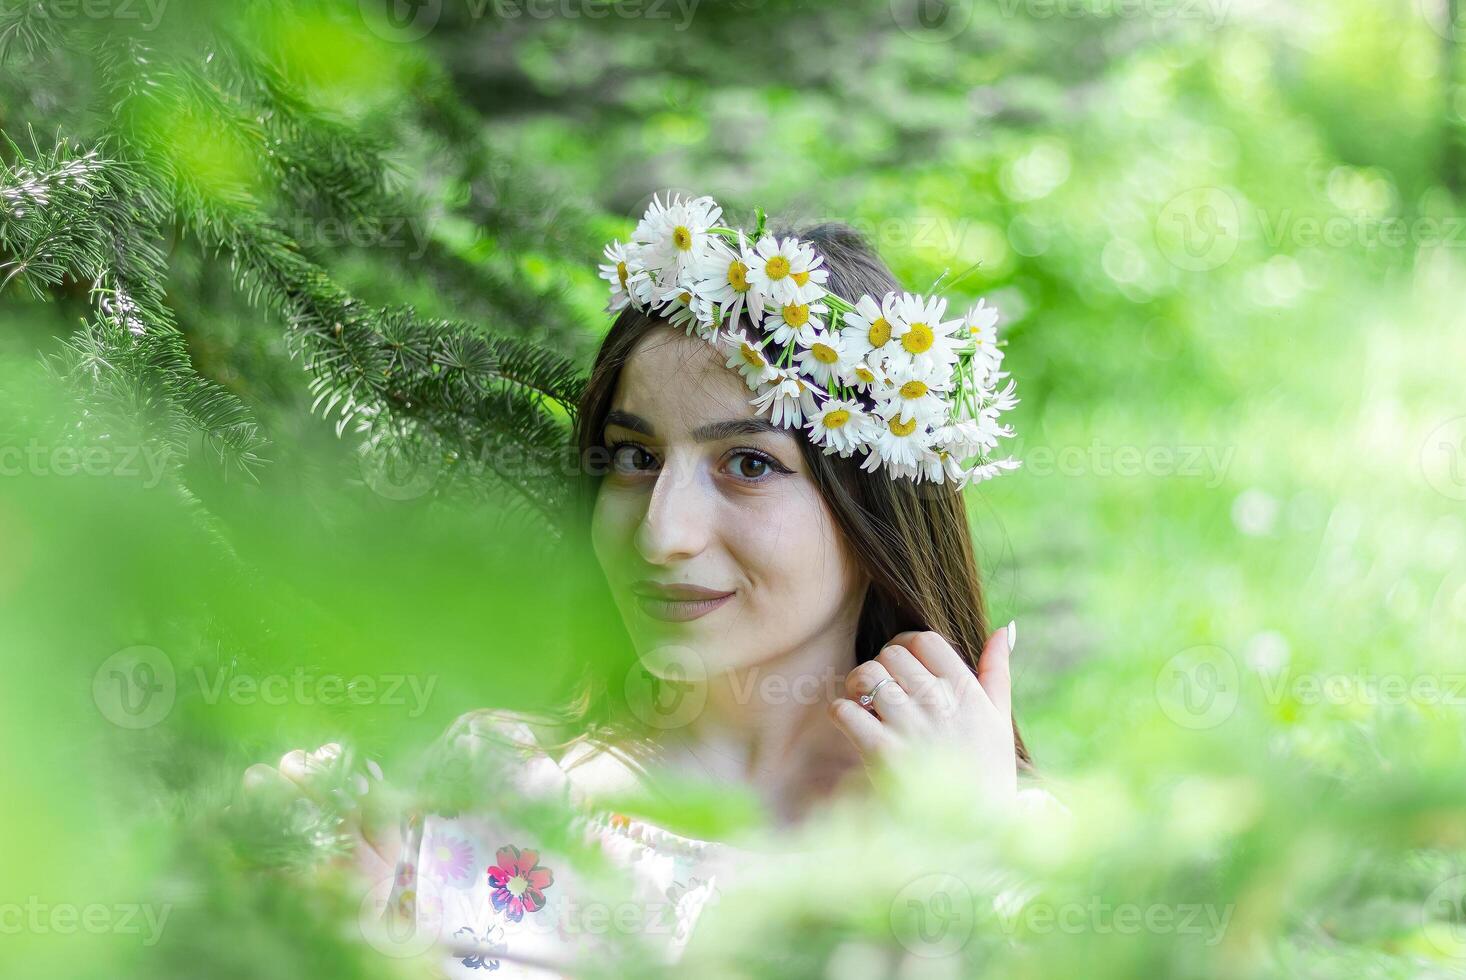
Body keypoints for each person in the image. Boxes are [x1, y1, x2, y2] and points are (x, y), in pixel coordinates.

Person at [246, 198, 1041, 977]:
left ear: (874, 509)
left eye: (750, 464)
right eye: (635, 458)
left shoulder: (1020, 847)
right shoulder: (498, 783)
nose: (662, 534)